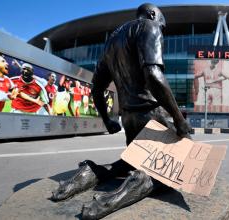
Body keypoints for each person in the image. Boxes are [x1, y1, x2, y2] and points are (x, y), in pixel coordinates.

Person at [51, 4, 191, 219]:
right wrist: (178, 118)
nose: (160, 29)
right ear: (153, 15)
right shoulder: (149, 26)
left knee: (130, 162)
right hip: (152, 115)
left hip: (129, 117)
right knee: (172, 172)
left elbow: (96, 89)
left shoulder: (112, 41)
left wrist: (109, 121)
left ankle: (91, 172)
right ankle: (122, 193)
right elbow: (153, 75)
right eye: (162, 25)